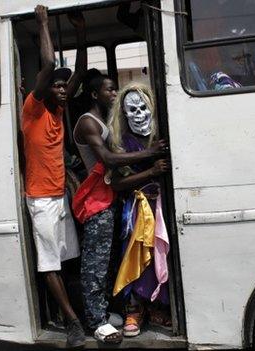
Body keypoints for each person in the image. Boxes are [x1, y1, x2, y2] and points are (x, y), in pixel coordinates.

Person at [72, 75, 167, 343]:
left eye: (116, 89)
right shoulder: (90, 122)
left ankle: (107, 311)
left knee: (114, 261)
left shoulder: (105, 122)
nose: (114, 93)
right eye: (109, 90)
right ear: (94, 94)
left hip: (110, 201)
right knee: (96, 265)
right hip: (97, 200)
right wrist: (151, 159)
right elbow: (109, 159)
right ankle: (97, 322)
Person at [21, 5, 87, 348]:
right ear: (45, 89)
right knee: (49, 263)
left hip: (59, 195)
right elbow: (48, 67)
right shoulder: (32, 110)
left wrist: (80, 34)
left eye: (65, 87)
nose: (63, 89)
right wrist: (44, 23)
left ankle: (74, 314)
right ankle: (72, 323)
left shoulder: (59, 109)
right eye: (57, 86)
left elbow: (78, 72)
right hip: (41, 199)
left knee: (68, 259)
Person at [108, 83, 171, 338]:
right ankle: (134, 310)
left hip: (162, 209)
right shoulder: (122, 143)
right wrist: (151, 171)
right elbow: (118, 183)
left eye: (143, 108)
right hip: (137, 211)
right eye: (132, 110)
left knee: (161, 257)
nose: (139, 114)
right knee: (137, 259)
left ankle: (156, 306)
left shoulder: (161, 135)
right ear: (123, 114)